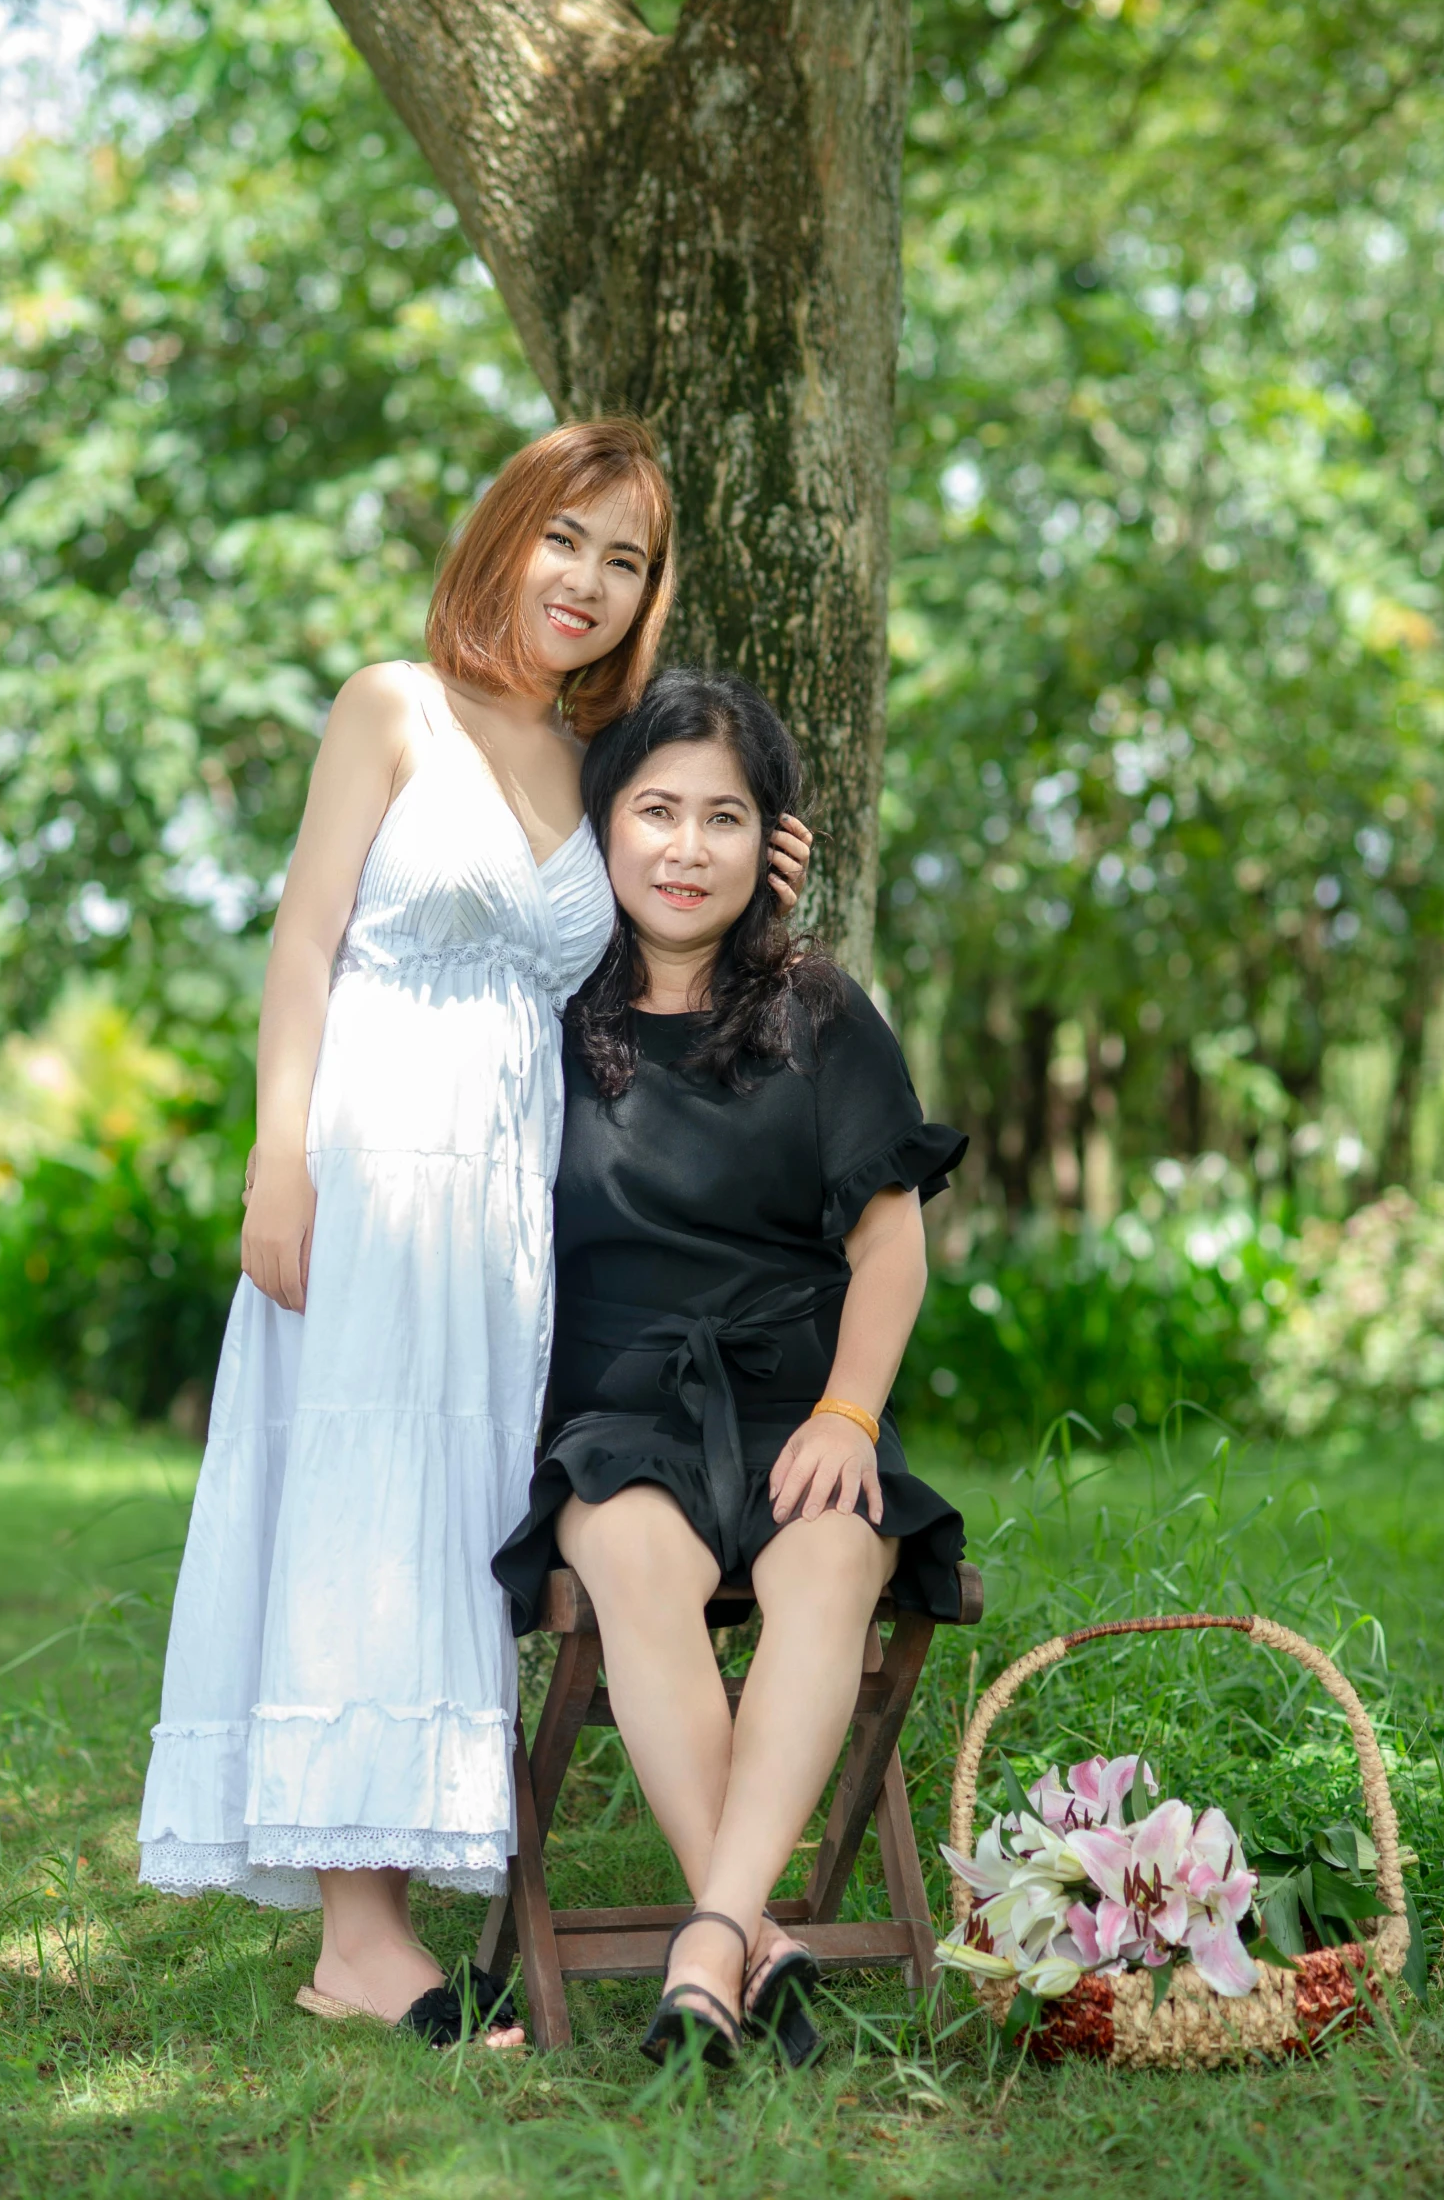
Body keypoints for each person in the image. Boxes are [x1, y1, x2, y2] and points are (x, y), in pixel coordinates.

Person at [137, 422, 810, 2048]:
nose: (586, 581)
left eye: (626, 560)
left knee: (447, 1511)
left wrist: (767, 879)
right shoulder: (393, 706)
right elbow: (303, 941)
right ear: (506, 535)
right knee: (350, 1488)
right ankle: (358, 1935)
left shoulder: (591, 767)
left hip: (515, 1204)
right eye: (565, 539)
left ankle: (407, 1916)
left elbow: (652, 934)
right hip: (367, 1164)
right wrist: (274, 1161)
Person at [493, 670, 967, 2069]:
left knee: (832, 1552)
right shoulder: (545, 1014)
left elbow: (891, 1247)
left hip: (792, 1403)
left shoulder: (813, 1004)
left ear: (768, 840)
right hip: (615, 1416)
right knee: (635, 1561)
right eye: (655, 811)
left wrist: (847, 1412)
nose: (684, 848)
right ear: (604, 826)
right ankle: (748, 1941)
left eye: (721, 816)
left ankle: (710, 1943)